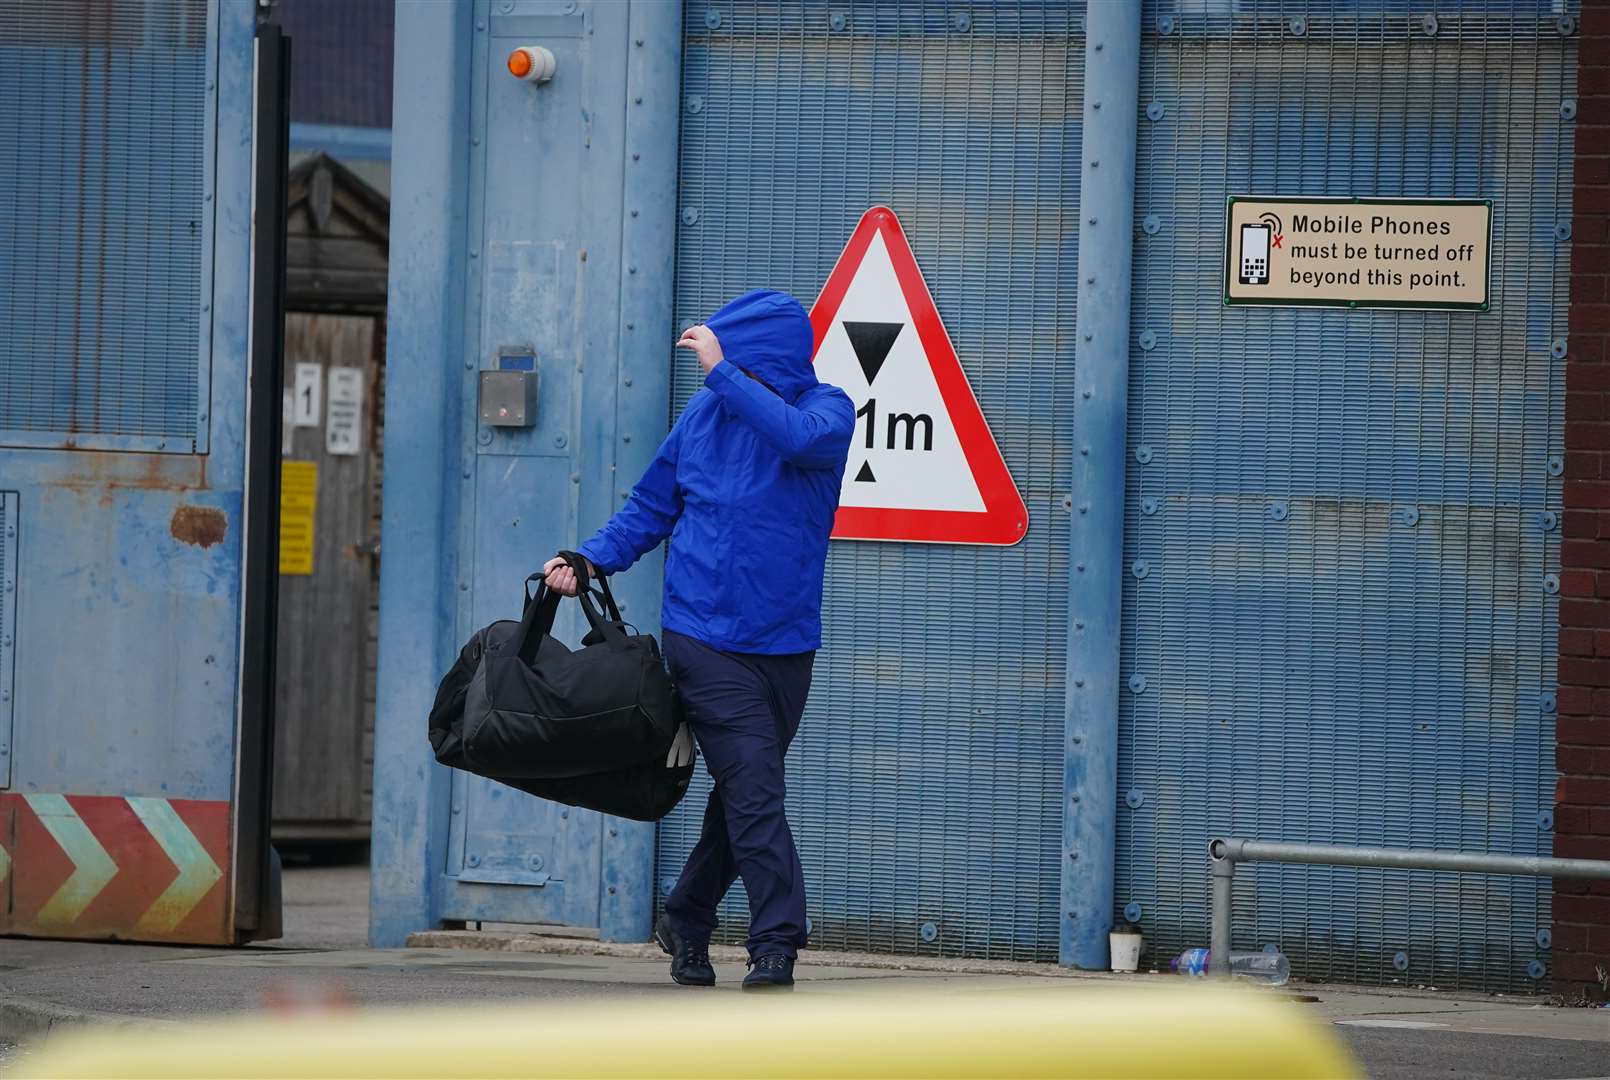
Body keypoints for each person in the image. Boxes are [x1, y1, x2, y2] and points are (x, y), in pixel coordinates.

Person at [543, 289, 854, 991]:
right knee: (753, 790)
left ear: (760, 352)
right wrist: (589, 559)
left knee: (746, 793)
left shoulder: (827, 410)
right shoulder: (705, 417)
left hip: (787, 642)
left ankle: (687, 914)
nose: (716, 364)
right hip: (704, 637)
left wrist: (724, 374)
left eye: (729, 352)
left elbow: (800, 441)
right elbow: (651, 506)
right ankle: (777, 942)